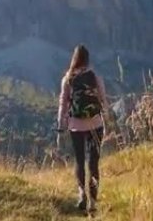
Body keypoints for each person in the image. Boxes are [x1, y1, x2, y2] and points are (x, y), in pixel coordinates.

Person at [57, 44, 110, 213]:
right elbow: (103, 100)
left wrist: (60, 126)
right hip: (95, 124)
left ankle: (81, 194)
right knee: (93, 163)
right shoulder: (95, 76)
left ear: (74, 58)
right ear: (87, 59)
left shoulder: (68, 78)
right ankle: (93, 202)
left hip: (75, 126)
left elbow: (63, 105)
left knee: (80, 161)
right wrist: (106, 121)